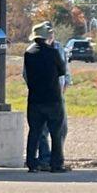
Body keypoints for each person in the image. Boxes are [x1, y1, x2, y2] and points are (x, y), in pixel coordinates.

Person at [23, 21, 68, 172]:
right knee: (56, 133)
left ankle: (31, 163)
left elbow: (26, 76)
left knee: (34, 132)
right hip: (53, 98)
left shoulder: (28, 54)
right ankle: (56, 164)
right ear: (46, 37)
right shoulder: (53, 52)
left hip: (35, 99)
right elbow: (62, 71)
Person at [36, 35, 72, 169]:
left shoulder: (59, 48)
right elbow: (27, 74)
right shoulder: (34, 50)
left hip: (58, 96)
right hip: (41, 96)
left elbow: (65, 72)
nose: (49, 36)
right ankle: (44, 159)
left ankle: (57, 160)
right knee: (41, 129)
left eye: (51, 33)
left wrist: (63, 89)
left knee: (61, 128)